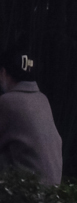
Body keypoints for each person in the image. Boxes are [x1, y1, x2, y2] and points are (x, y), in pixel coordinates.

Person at [0, 48, 63, 187]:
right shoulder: (42, 99)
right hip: (51, 195)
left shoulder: (7, 102)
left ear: (4, 72)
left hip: (27, 196)